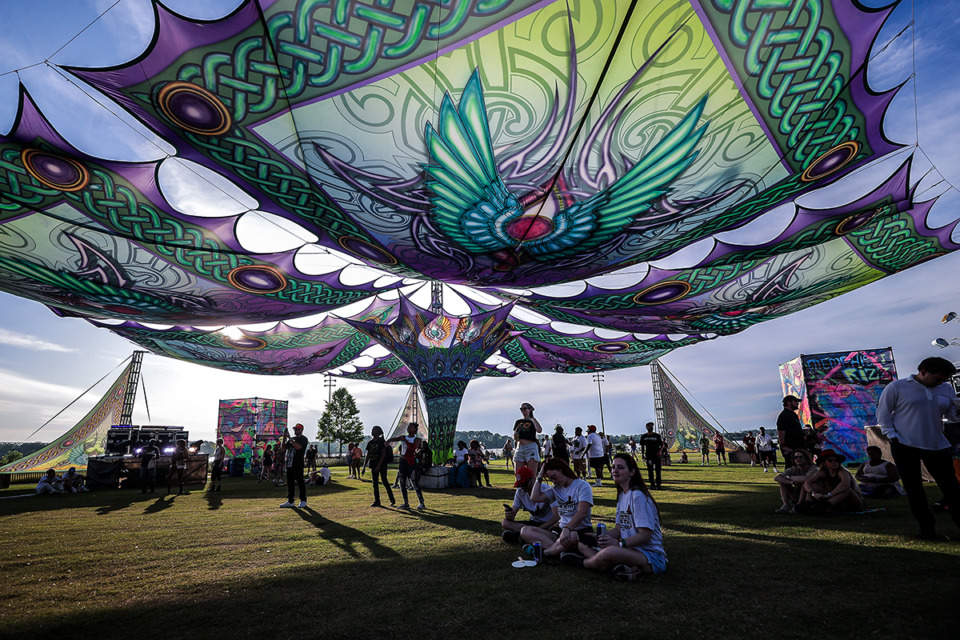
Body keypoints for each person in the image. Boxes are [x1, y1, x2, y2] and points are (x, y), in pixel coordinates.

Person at [877, 356, 960, 539]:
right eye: (937, 379)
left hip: (937, 444)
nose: (940, 383)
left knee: (952, 489)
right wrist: (892, 437)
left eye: (943, 380)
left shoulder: (945, 389)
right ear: (923, 372)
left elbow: (952, 417)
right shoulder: (897, 387)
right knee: (915, 490)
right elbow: (883, 414)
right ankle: (927, 530)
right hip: (905, 445)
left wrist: (957, 411)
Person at [568, 454, 667, 581]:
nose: (615, 470)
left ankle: (583, 563)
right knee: (583, 544)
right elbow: (619, 529)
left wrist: (618, 543)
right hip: (628, 550)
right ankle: (623, 568)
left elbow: (645, 536)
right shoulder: (622, 495)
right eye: (613, 467)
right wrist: (600, 538)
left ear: (632, 472)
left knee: (609, 552)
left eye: (620, 467)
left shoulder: (637, 496)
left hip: (649, 556)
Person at [520, 458, 594, 558]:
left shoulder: (582, 485)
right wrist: (540, 474)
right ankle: (562, 550)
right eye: (551, 479)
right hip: (560, 532)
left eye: (554, 477)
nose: (554, 481)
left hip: (580, 531)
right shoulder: (556, 489)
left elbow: (582, 512)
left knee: (572, 536)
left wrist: (567, 528)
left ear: (561, 469)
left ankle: (543, 553)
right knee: (525, 531)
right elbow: (535, 497)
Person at [501, 466, 558, 544]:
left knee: (555, 526)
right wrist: (509, 515)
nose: (523, 488)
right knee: (505, 522)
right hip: (534, 523)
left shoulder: (546, 489)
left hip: (549, 523)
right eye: (520, 485)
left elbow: (557, 517)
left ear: (533, 479)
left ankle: (525, 536)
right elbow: (513, 512)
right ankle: (532, 535)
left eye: (524, 484)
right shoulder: (520, 491)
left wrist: (539, 528)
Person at [796, 449, 864, 514]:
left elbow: (845, 484)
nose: (834, 462)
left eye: (836, 460)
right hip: (834, 500)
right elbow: (807, 482)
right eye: (830, 460)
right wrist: (813, 493)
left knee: (846, 490)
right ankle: (808, 504)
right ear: (825, 463)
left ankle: (824, 506)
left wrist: (829, 495)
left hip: (851, 502)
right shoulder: (822, 472)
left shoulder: (842, 472)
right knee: (813, 485)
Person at [388, 422, 426, 511]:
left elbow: (413, 448)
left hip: (411, 462)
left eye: (411, 427)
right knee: (402, 482)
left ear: (415, 429)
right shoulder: (404, 437)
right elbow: (395, 439)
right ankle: (406, 503)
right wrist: (388, 440)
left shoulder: (417, 439)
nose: (408, 429)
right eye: (408, 427)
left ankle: (421, 503)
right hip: (402, 461)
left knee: (414, 482)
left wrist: (405, 441)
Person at [773, 449, 817, 513]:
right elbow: (777, 478)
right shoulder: (793, 469)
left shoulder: (813, 469)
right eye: (796, 457)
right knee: (783, 483)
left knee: (804, 483)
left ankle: (798, 505)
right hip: (796, 494)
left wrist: (789, 477)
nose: (798, 459)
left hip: (809, 495)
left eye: (801, 457)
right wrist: (791, 482)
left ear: (806, 458)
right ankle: (786, 505)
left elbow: (806, 478)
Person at [279, 423, 309, 509]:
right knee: (290, 483)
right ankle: (290, 500)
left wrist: (290, 438)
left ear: (301, 430)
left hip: (298, 464)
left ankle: (303, 500)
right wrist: (284, 438)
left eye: (297, 429)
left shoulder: (303, 439)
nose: (296, 431)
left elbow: (299, 447)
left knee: (300, 482)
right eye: (295, 429)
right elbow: (283, 448)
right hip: (289, 464)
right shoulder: (292, 439)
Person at [365, 425, 395, 507]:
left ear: (378, 432)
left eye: (374, 430)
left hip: (381, 464)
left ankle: (392, 499)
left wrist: (379, 465)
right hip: (373, 464)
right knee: (375, 483)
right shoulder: (370, 442)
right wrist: (364, 466)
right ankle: (377, 501)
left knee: (384, 481)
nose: (372, 431)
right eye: (372, 429)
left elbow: (383, 454)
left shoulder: (381, 441)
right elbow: (368, 454)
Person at [513, 403, 543, 473]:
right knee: (518, 474)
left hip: (530, 447)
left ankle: (532, 484)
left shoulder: (532, 421)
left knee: (532, 474)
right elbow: (515, 435)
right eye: (521, 409)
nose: (523, 410)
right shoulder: (518, 422)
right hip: (520, 447)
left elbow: (539, 430)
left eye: (525, 408)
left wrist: (532, 418)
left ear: (529, 409)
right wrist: (515, 436)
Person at [777, 396, 805, 469]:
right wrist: (783, 446)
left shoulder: (793, 415)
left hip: (797, 446)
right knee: (791, 467)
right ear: (788, 402)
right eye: (795, 401)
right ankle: (789, 480)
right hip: (790, 448)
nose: (797, 404)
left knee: (799, 468)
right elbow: (781, 431)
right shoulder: (784, 415)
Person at [638, 422, 665, 489]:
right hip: (649, 455)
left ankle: (658, 485)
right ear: (646, 427)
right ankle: (652, 485)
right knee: (650, 471)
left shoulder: (657, 436)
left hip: (656, 455)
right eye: (649, 426)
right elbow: (642, 446)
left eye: (652, 426)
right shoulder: (644, 436)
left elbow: (662, 445)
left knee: (658, 470)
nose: (651, 428)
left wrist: (660, 451)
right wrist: (643, 454)